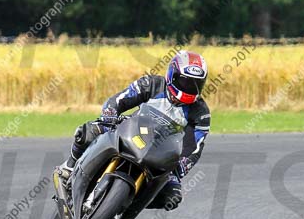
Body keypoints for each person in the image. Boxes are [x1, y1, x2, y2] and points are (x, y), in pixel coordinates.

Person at [58, 49, 210, 210]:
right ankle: (69, 167)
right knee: (88, 132)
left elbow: (195, 146)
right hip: (130, 131)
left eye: (196, 84)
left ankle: (124, 208)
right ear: (172, 74)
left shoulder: (201, 113)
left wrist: (182, 165)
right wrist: (109, 116)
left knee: (172, 197)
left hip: (162, 153)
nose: (190, 87)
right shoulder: (152, 84)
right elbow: (119, 100)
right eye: (185, 81)